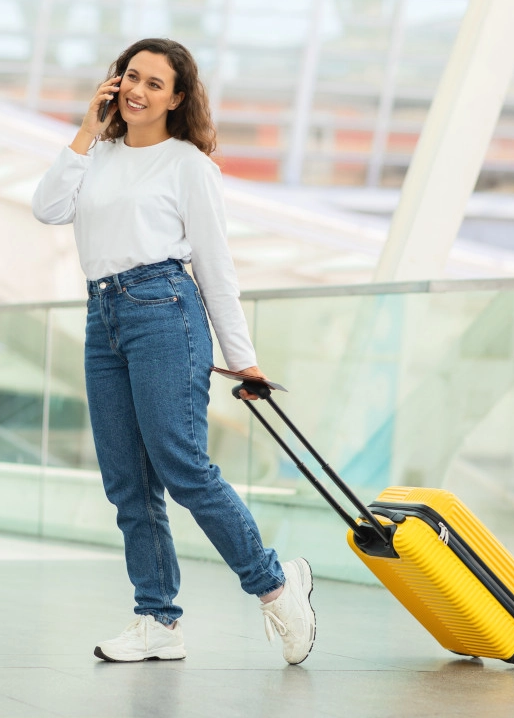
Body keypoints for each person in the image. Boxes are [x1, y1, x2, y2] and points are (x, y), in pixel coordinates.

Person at [32, 38, 316, 665]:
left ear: (178, 97)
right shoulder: (96, 155)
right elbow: (47, 207)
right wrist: (84, 130)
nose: (137, 90)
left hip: (164, 310)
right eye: (130, 77)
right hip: (103, 315)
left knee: (180, 462)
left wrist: (242, 356)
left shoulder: (189, 165)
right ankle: (157, 619)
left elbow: (216, 266)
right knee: (126, 480)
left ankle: (275, 585)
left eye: (154, 83)